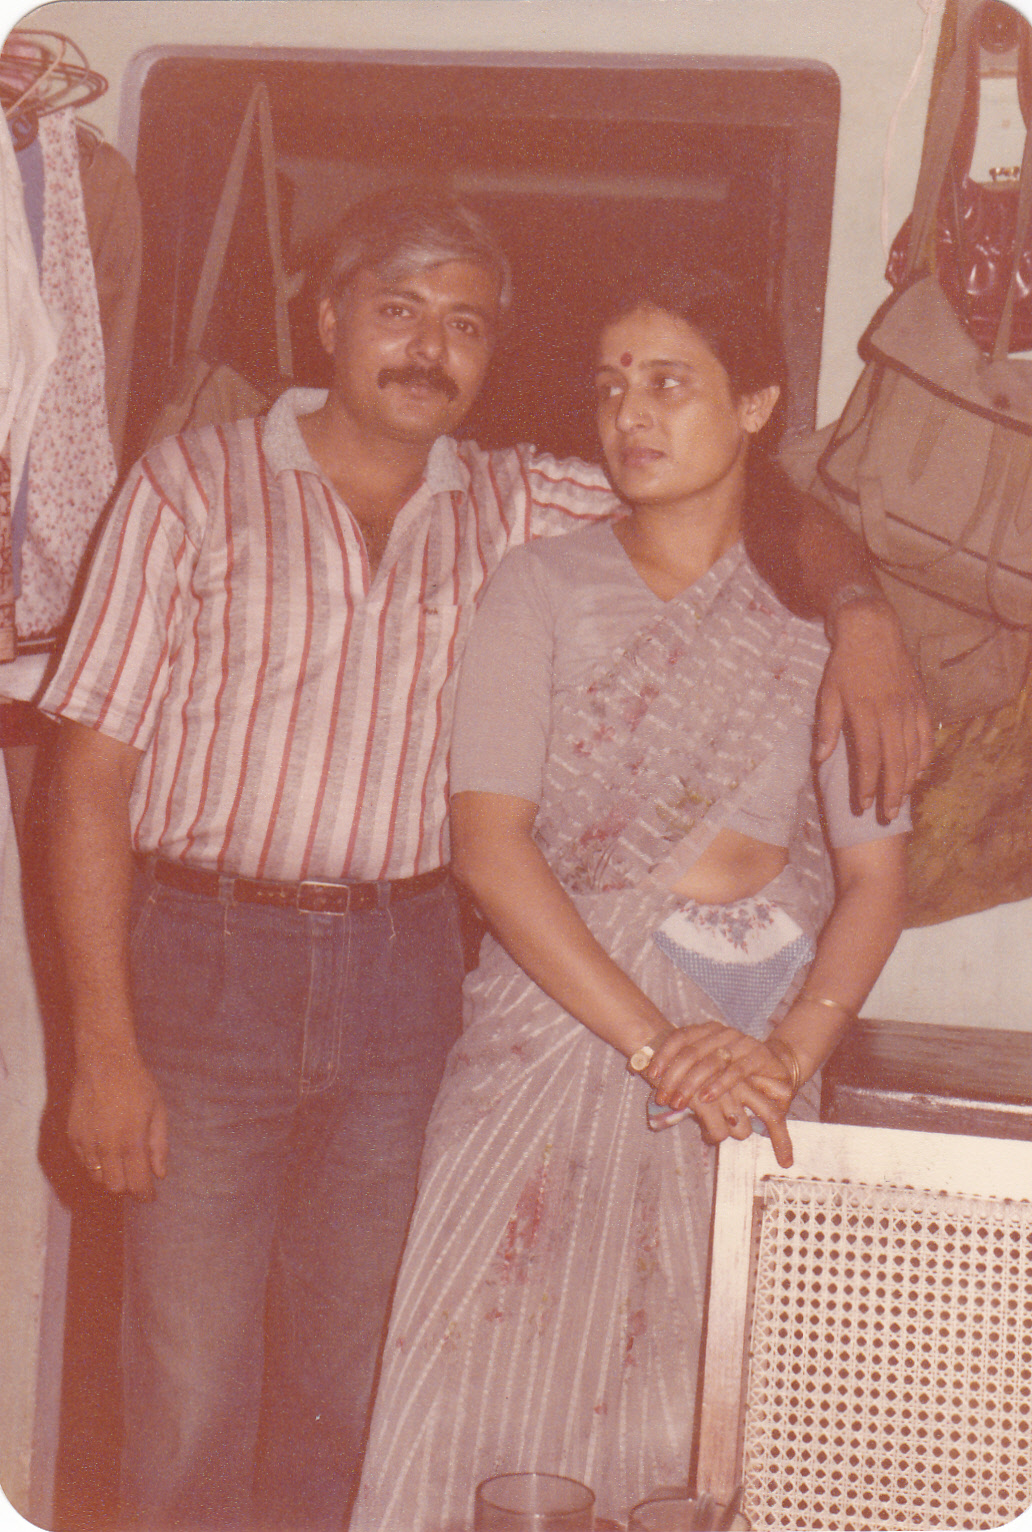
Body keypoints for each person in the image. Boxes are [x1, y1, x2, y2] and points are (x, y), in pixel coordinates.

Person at [43, 190, 923, 1531]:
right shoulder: (189, 485)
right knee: (189, 1379)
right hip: (208, 961)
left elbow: (748, 493)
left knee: (366, 1383)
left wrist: (860, 610)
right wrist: (100, 1047)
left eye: (466, 323)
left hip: (402, 978)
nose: (428, 346)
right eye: (398, 308)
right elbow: (86, 778)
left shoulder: (514, 500)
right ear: (326, 319)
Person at [348, 263, 911, 1532]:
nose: (630, 414)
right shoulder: (539, 585)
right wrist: (662, 1048)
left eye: (669, 382)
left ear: (756, 404)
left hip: (756, 1060)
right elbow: (490, 846)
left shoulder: (824, 618)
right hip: (557, 1031)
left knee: (698, 1418)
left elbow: (877, 877)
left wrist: (779, 1057)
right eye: (610, 386)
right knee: (481, 1396)